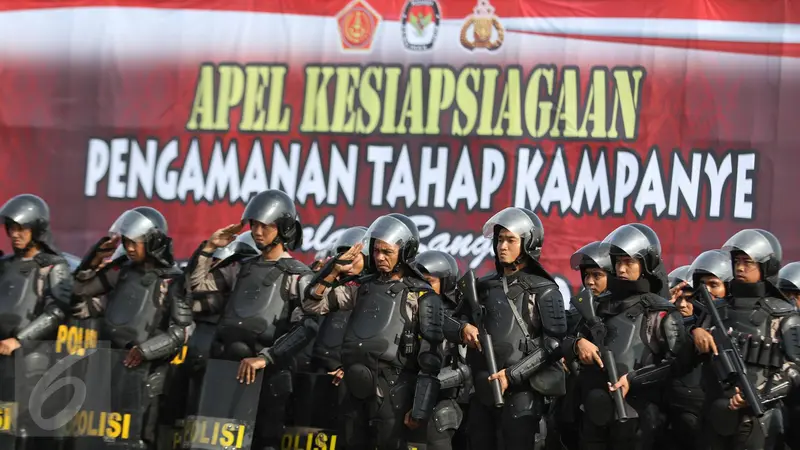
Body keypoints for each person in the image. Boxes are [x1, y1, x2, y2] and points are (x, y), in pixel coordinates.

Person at [302, 214, 444, 450]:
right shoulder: (362, 287)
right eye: (376, 250)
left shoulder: (420, 295)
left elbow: (431, 357)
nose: (379, 257)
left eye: (387, 252)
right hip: (354, 386)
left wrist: (420, 407)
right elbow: (313, 303)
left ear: (405, 251)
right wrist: (332, 269)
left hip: (393, 388)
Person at [188, 189, 314, 450]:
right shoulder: (241, 267)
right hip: (227, 372)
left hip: (269, 376)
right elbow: (196, 283)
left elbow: (307, 326)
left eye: (264, 225)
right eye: (254, 224)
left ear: (283, 227)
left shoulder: (298, 275)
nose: (257, 231)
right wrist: (209, 247)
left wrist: (267, 357)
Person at [443, 207, 567, 450]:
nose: (502, 246)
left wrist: (511, 375)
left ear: (528, 243)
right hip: (483, 389)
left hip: (523, 393)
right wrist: (463, 329)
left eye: (511, 240)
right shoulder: (483, 286)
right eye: (500, 240)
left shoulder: (545, 290)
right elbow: (445, 320)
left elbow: (553, 345)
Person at [71, 206, 185, 450]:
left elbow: (180, 332)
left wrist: (145, 351)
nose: (130, 248)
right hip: (110, 367)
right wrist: (94, 257)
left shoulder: (173, 279)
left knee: (136, 441)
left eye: (136, 242)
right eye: (127, 241)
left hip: (146, 375)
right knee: (100, 440)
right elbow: (79, 290)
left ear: (153, 241)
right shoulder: (122, 272)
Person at [571, 223, 690, 450]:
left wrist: (633, 379)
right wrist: (578, 343)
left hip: (640, 414)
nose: (622, 269)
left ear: (645, 264)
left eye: (629, 262)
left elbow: (677, 363)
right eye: (618, 262)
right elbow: (567, 342)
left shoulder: (661, 311)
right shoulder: (598, 304)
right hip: (594, 410)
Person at [700, 229, 800, 450]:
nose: (740, 267)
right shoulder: (717, 309)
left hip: (761, 418)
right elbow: (686, 359)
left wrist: (759, 394)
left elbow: (795, 370)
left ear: (766, 266)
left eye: (748, 262)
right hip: (717, 414)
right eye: (737, 261)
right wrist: (695, 334)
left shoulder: (783, 315)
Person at [0, 194, 73, 449]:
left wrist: (19, 340)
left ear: (37, 228)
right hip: (2, 358)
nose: (15, 234)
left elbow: (56, 312)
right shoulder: (5, 264)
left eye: (22, 228)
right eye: (11, 228)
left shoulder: (53, 266)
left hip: (33, 360)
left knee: (23, 429)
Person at [415, 250, 467, 450]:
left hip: (445, 400)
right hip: (406, 396)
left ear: (445, 283)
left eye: (429, 282)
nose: (423, 289)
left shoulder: (458, 318)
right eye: (419, 283)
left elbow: (463, 369)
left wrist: (423, 392)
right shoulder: (408, 310)